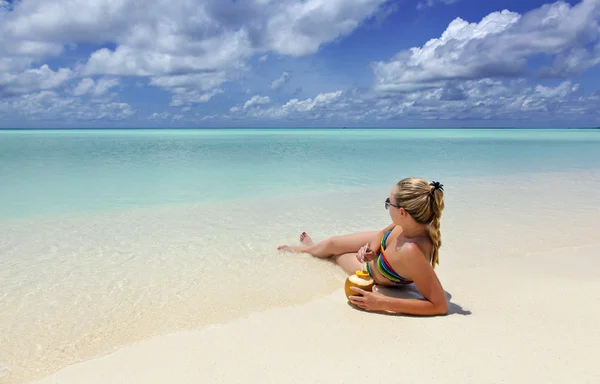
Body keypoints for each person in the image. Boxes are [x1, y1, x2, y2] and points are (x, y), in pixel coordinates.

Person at [277, 177, 448, 316]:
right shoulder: (409, 223)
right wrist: (371, 250)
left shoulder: (412, 251)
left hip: (373, 270)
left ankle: (313, 249)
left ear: (403, 212)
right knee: (333, 242)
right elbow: (381, 234)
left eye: (389, 203)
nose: (388, 206)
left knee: (337, 256)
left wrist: (383, 303)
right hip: (378, 251)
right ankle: (309, 249)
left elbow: (439, 306)